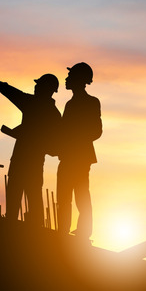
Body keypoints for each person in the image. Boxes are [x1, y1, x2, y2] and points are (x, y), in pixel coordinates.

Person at [0, 68, 61, 225]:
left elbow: (11, 92)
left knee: (23, 199)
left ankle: (22, 233)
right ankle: (31, 232)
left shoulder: (36, 106)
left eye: (39, 85)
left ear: (47, 89)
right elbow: (11, 92)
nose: (35, 87)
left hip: (25, 161)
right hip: (29, 162)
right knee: (28, 199)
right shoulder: (53, 113)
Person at [56, 62, 101, 241]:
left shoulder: (91, 102)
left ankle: (83, 232)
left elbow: (96, 130)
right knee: (64, 197)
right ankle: (63, 231)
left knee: (81, 195)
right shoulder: (69, 104)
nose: (66, 79)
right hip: (67, 157)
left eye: (70, 76)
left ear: (79, 80)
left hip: (80, 158)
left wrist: (74, 138)